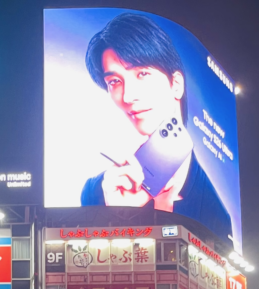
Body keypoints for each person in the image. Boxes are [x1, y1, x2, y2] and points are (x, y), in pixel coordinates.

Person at [80, 12, 232, 240]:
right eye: (114, 81)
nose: (128, 96)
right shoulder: (97, 191)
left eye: (142, 73)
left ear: (177, 84)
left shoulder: (217, 214)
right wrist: (118, 216)